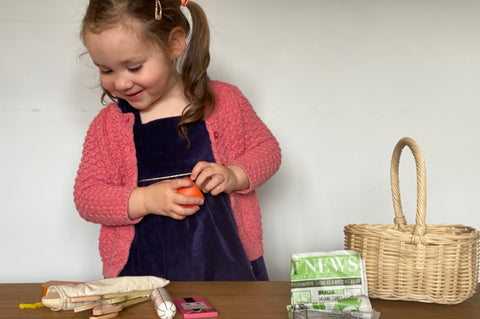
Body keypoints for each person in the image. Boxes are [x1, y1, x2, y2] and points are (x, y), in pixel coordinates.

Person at [74, 0, 281, 281]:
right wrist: (145, 199)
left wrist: (235, 175)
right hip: (140, 274)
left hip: (227, 265)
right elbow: (87, 197)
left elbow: (268, 151)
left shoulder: (224, 101)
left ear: (174, 44)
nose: (120, 83)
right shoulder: (109, 125)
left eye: (134, 67)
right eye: (106, 70)